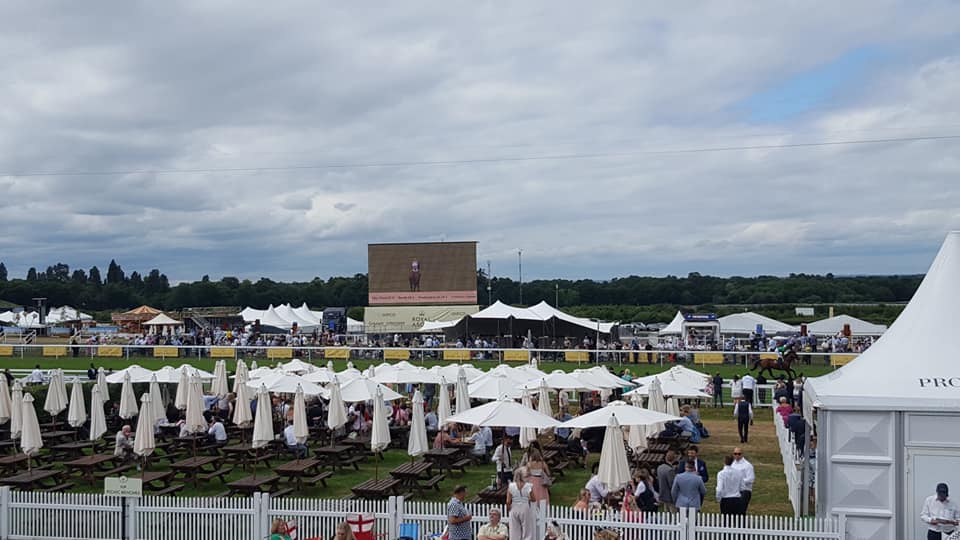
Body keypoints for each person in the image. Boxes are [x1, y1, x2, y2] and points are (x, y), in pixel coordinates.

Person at [507, 468, 537, 540]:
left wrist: (509, 508)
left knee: (514, 530)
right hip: (525, 507)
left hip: (514, 507)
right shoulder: (528, 486)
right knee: (527, 530)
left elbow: (508, 501)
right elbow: (534, 499)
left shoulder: (511, 486)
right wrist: (527, 498)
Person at [731, 447, 755, 514]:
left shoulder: (747, 465)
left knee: (741, 511)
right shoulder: (732, 464)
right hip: (734, 491)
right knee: (734, 511)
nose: (737, 455)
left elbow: (751, 479)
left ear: (742, 454)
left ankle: (742, 524)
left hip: (744, 491)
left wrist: (739, 481)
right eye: (735, 454)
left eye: (739, 454)